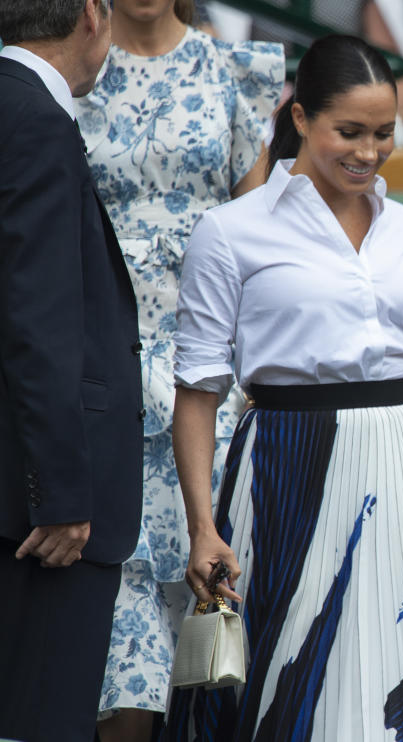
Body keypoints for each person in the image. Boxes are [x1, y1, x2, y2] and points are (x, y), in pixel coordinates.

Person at [163, 34, 403, 741]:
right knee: (301, 690)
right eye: (349, 131)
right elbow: (197, 392)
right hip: (291, 469)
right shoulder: (230, 232)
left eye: (384, 133)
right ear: (300, 119)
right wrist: (203, 526)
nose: (370, 150)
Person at [75, 2, 283, 739]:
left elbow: (260, 236)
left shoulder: (232, 68)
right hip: (100, 352)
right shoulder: (70, 67)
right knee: (120, 604)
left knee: (218, 592)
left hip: (208, 359)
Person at [0, 1, 145, 740]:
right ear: (92, 13)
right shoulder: (36, 122)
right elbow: (38, 318)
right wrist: (59, 492)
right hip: (37, 518)